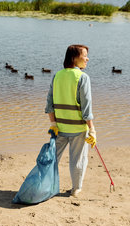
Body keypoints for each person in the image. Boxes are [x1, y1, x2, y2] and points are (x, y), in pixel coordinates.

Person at [45, 44, 96, 197]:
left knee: (52, 158)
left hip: (59, 128)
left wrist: (53, 124)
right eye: (84, 55)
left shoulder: (57, 75)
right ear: (74, 58)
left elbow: (49, 103)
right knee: (78, 160)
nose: (87, 58)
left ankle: (45, 185)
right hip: (78, 129)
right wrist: (92, 129)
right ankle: (76, 189)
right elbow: (86, 108)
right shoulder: (83, 77)